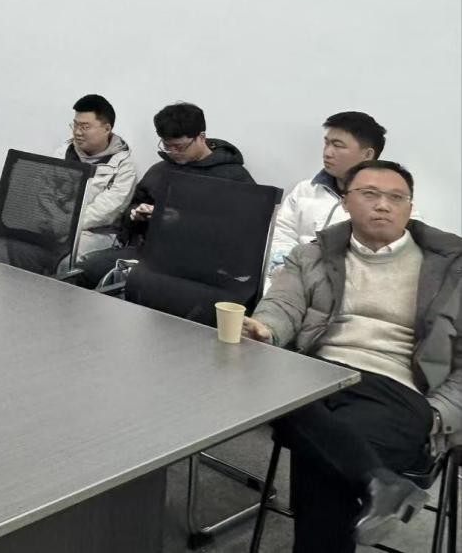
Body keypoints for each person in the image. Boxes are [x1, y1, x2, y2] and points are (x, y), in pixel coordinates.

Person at [243, 160, 462, 552]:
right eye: (370, 194)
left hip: (401, 392)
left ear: (410, 207)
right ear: (345, 202)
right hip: (320, 377)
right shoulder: (312, 255)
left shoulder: (452, 270)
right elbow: (283, 305)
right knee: (298, 412)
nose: (384, 205)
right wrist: (265, 329)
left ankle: (375, 482)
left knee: (319, 453)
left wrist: (437, 414)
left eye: (396, 197)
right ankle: (380, 482)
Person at [74, 101, 254, 288]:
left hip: (206, 262)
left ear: (201, 137)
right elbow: (131, 211)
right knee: (86, 270)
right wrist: (137, 215)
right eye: (167, 146)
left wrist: (180, 219)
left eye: (180, 146)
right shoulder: (161, 171)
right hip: (152, 254)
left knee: (150, 284)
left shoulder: (233, 177)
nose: (173, 152)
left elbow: (240, 232)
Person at [268, 111, 385, 276]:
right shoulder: (305, 190)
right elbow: (279, 234)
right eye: (327, 143)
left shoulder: (389, 203)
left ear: (367, 155)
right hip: (290, 279)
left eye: (338, 145)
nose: (327, 152)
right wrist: (291, 272)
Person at [53, 94, 137, 261]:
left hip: (98, 233)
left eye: (85, 127)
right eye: (75, 125)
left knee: (64, 258)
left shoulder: (123, 166)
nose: (77, 132)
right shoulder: (63, 152)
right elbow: (46, 190)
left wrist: (65, 223)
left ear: (107, 129)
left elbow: (106, 211)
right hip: (56, 225)